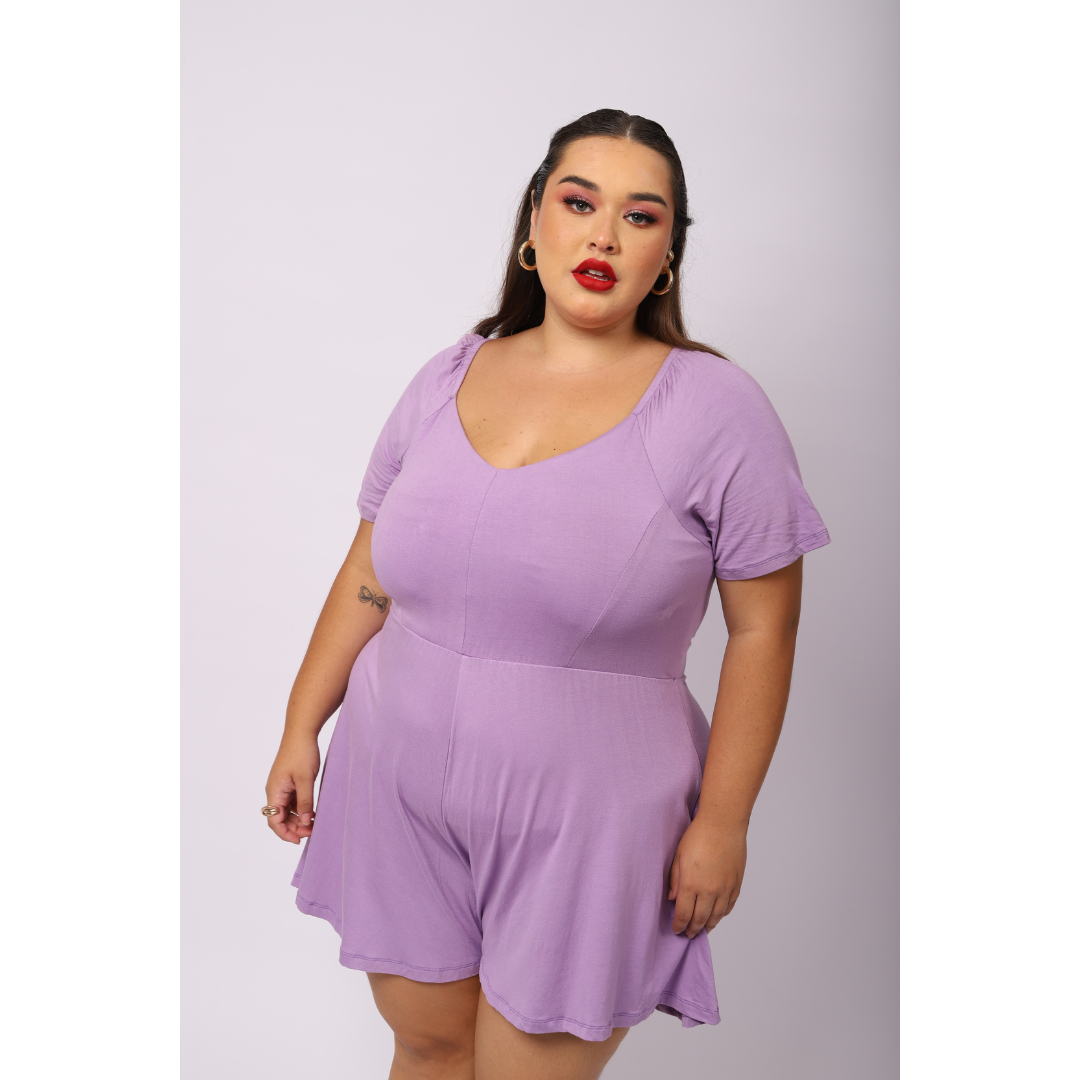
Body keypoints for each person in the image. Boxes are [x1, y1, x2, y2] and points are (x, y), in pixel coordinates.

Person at [263, 108, 830, 1080]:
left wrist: (723, 822)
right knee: (427, 1048)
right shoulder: (447, 376)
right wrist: (300, 724)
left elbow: (763, 631)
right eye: (579, 202)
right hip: (395, 779)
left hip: (591, 815)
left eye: (640, 216)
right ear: (534, 221)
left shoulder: (716, 411)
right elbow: (369, 571)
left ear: (669, 253)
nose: (603, 236)